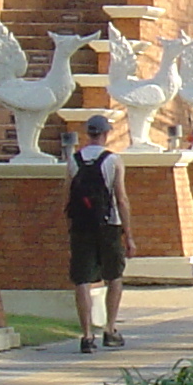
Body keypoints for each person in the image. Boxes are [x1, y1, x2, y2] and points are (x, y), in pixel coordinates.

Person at [64, 114, 133, 353]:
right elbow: (121, 198)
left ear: (88, 133)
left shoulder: (74, 160)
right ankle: (110, 329)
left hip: (81, 226)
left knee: (82, 280)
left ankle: (86, 335)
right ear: (106, 133)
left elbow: (68, 196)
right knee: (114, 277)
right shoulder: (113, 160)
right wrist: (129, 233)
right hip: (109, 225)